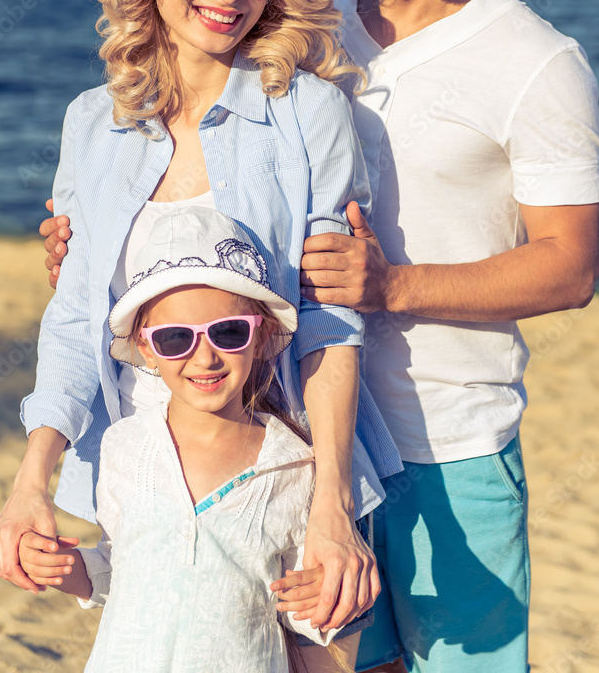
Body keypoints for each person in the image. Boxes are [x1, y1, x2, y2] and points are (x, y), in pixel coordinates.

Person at [0, 0, 404, 670]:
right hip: (144, 469)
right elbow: (75, 317)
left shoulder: (311, 114)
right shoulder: (91, 124)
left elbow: (326, 321)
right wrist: (33, 479)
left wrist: (329, 506)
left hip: (279, 475)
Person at [294, 0, 599, 672]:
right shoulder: (304, 20)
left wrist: (391, 285)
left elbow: (570, 267)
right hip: (310, 440)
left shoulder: (539, 60)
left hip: (453, 450)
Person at [18, 207, 351, 673]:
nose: (205, 357)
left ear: (261, 334)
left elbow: (305, 621)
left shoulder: (295, 466)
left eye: (228, 332)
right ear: (148, 347)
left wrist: (325, 599)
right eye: (176, 338)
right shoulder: (123, 446)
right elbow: (118, 573)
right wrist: (60, 567)